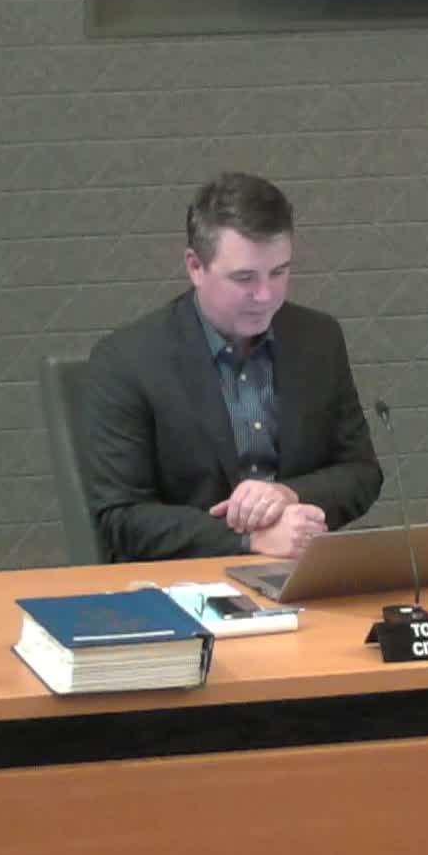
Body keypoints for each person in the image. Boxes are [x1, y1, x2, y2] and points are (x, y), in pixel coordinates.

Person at [82, 172, 382, 562]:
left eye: (279, 272)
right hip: (184, 578)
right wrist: (248, 540)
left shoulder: (317, 339)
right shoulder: (127, 359)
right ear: (195, 266)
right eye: (244, 278)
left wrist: (287, 495)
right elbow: (121, 518)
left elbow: (360, 472)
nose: (265, 295)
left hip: (300, 571)